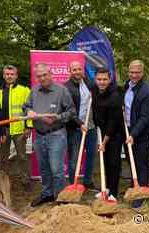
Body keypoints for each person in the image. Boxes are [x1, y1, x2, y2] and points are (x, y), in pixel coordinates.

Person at [23, 63, 76, 207]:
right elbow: (26, 106)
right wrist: (28, 112)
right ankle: (47, 194)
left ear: (50, 74)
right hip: (39, 135)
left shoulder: (62, 91)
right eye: (39, 76)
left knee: (56, 169)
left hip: (56, 135)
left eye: (44, 75)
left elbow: (71, 112)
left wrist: (57, 118)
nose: (42, 78)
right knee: (44, 168)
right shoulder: (34, 91)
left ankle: (60, 197)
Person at [124, 60, 149, 209]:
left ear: (142, 73)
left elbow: (145, 117)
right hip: (129, 129)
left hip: (142, 133)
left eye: (137, 72)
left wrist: (133, 134)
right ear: (128, 72)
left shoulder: (147, 91)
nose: (134, 75)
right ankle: (134, 186)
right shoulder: (127, 86)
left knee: (141, 162)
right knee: (131, 161)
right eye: (132, 72)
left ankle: (141, 194)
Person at [0, 65, 32, 191]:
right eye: (7, 74)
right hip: (3, 130)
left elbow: (29, 109)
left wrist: (28, 126)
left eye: (12, 74)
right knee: (3, 158)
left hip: (19, 129)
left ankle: (26, 180)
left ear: (16, 76)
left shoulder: (24, 90)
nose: (9, 76)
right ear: (3, 75)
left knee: (22, 157)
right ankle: (4, 182)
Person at [92, 68, 124, 201]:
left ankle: (113, 193)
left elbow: (113, 121)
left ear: (109, 80)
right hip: (102, 130)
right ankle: (106, 188)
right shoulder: (94, 91)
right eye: (99, 79)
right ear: (95, 79)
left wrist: (104, 142)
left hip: (115, 133)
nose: (102, 82)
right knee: (104, 161)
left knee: (113, 162)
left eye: (105, 79)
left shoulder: (115, 96)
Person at [65, 61, 97, 189]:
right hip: (75, 128)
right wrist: (79, 123)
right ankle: (73, 184)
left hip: (91, 127)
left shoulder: (89, 84)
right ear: (70, 71)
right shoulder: (66, 88)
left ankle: (88, 181)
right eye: (74, 69)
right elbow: (68, 111)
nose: (77, 72)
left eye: (79, 69)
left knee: (91, 155)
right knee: (74, 159)